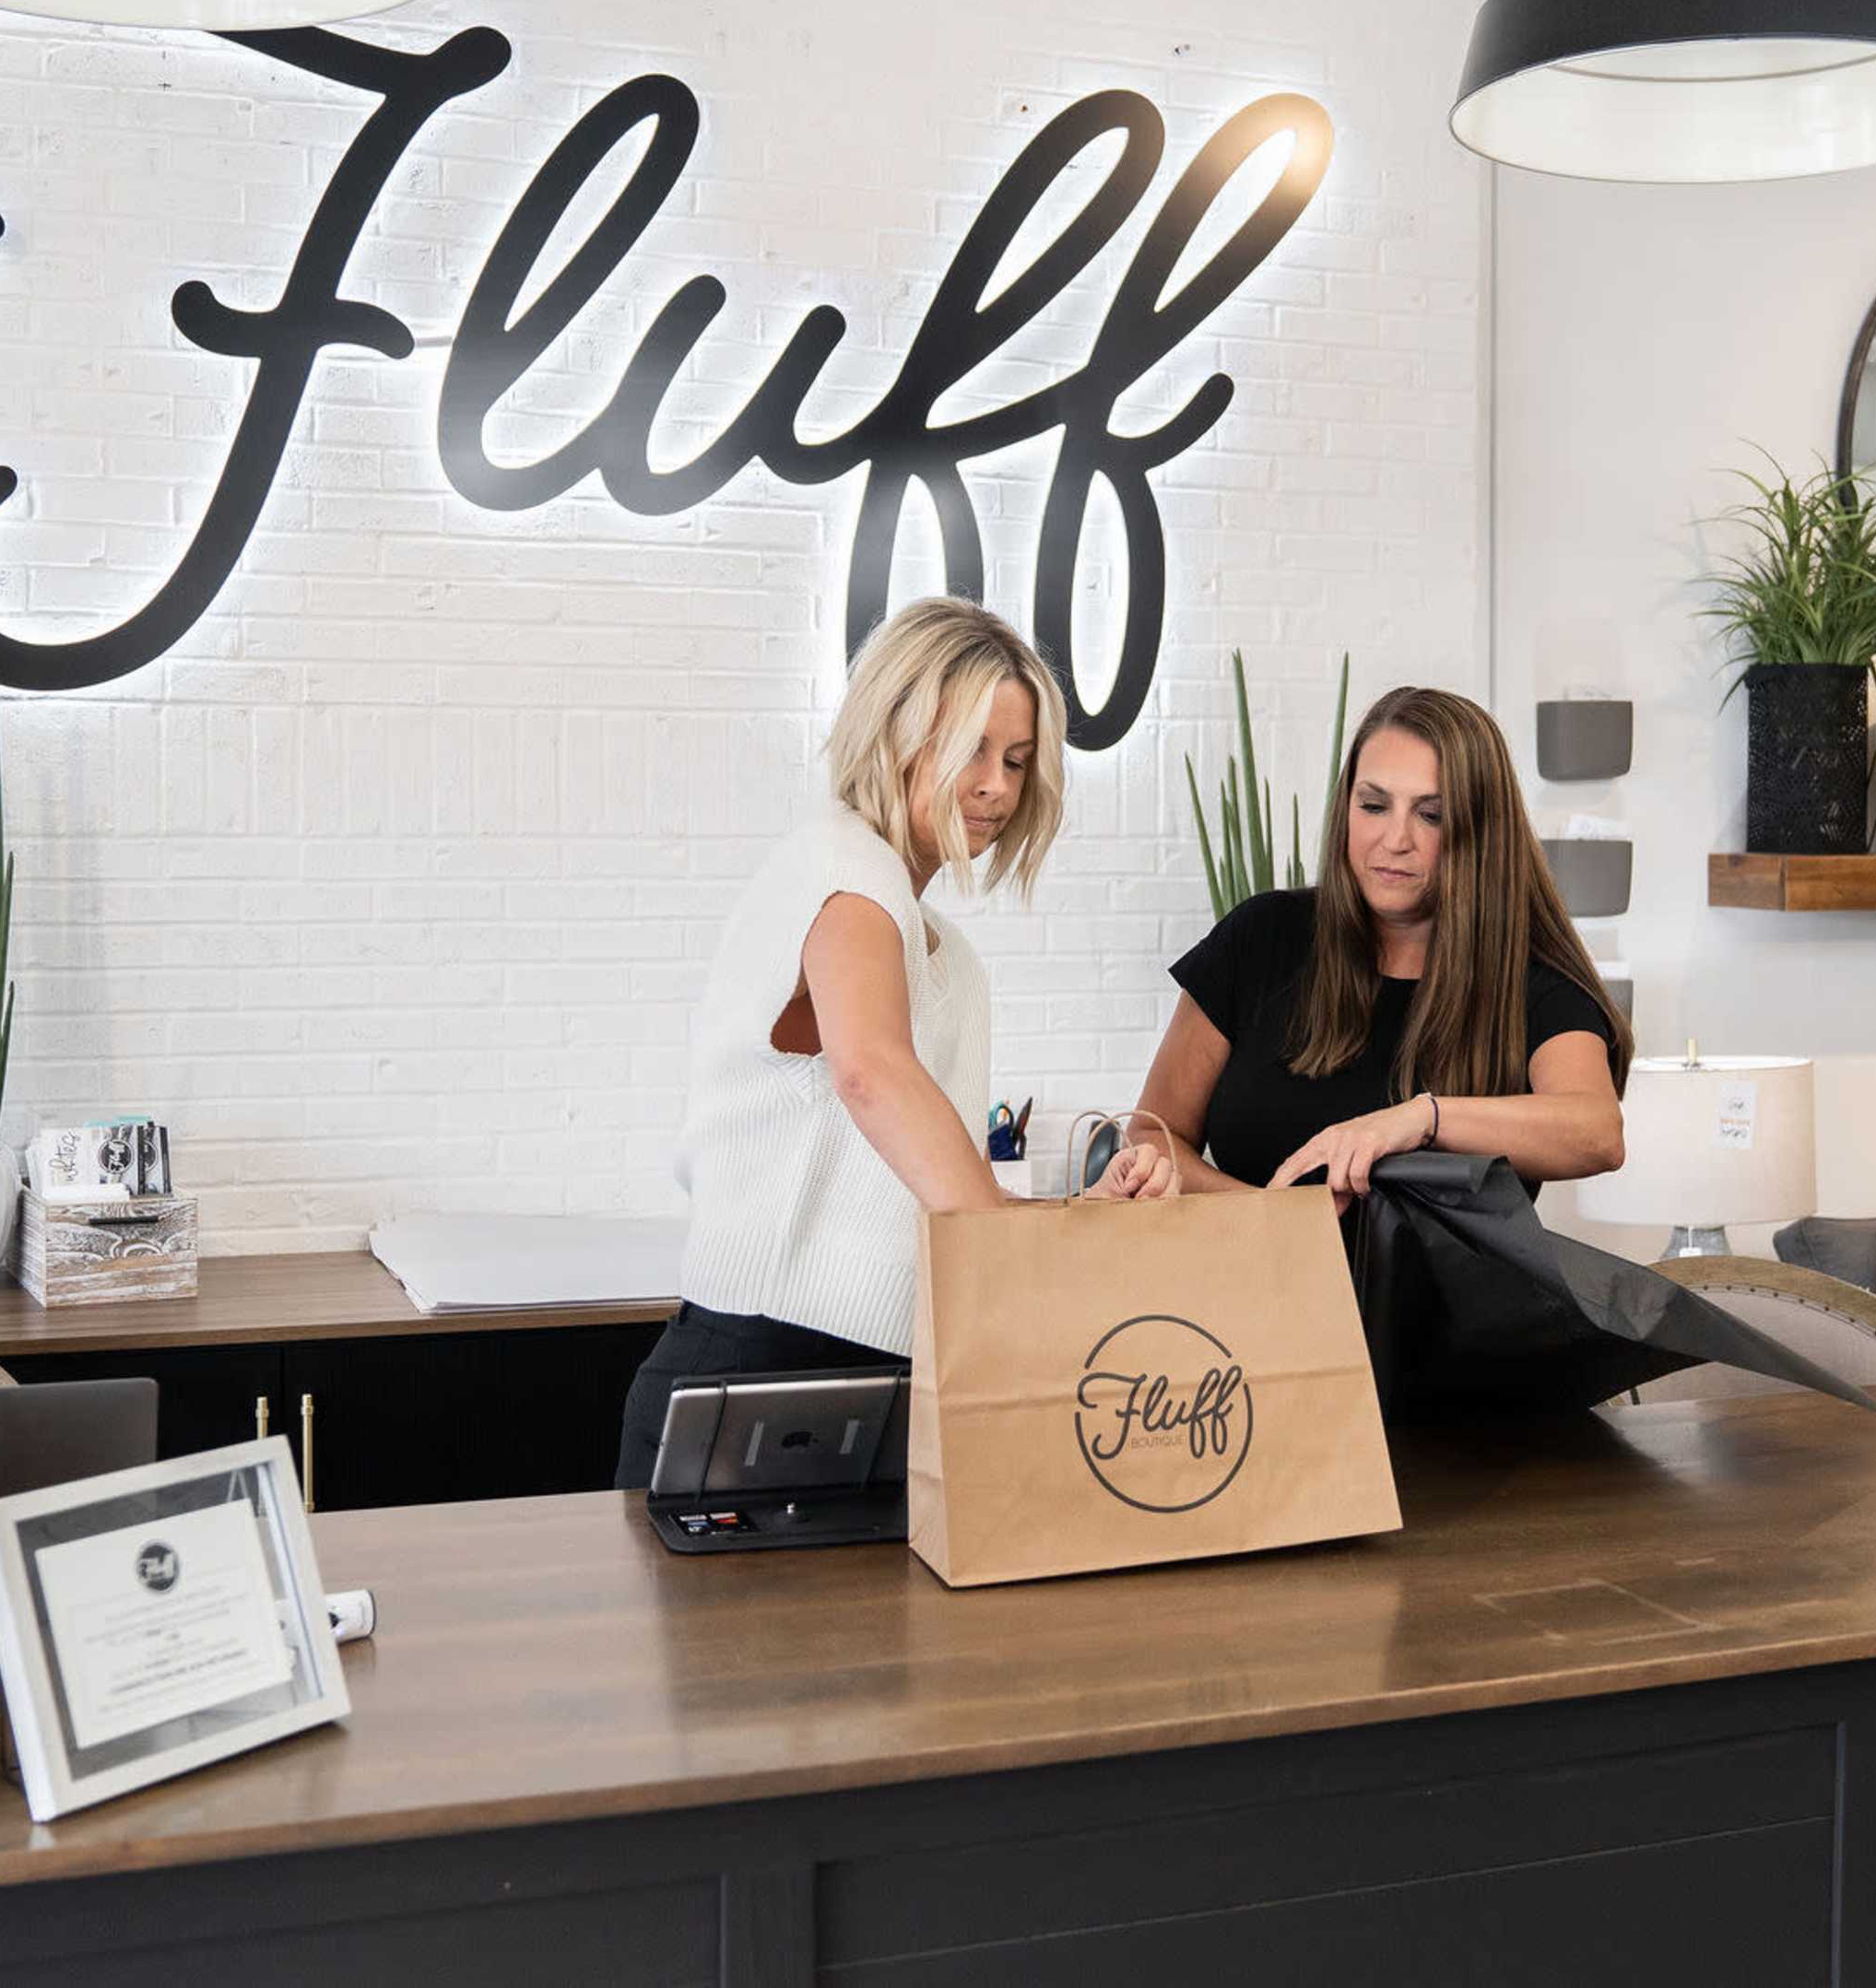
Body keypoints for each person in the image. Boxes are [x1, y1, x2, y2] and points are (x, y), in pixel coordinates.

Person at [617, 598, 1172, 1487]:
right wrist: (1008, 1252)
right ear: (898, 731)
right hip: (757, 1372)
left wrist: (1079, 1217)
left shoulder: (946, 955)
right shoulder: (841, 867)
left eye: (1018, 760)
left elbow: (938, 1200)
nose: (997, 785)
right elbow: (869, 1071)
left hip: (879, 1384)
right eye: (973, 751)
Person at [1135, 686, 1629, 1201]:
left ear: (1482, 830)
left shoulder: (1528, 978)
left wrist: (1420, 1119)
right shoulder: (1261, 937)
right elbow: (1154, 1135)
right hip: (1264, 1276)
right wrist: (1276, 1224)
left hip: (1454, 1287)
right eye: (1373, 805)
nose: (1395, 840)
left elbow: (1597, 1133)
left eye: (1431, 815)